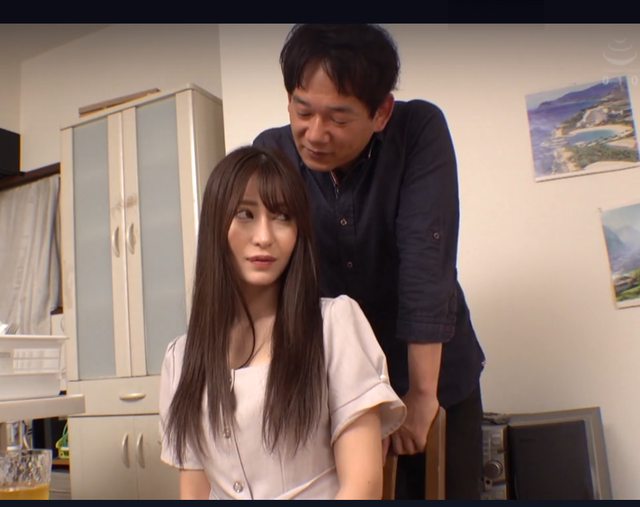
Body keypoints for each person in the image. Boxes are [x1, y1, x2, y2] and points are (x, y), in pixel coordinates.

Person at [253, 24, 486, 500]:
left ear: (381, 113)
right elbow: (269, 282)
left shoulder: (418, 130)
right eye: (302, 110)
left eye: (338, 117)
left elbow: (427, 258)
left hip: (434, 377)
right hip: (338, 388)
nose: (315, 134)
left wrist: (421, 395)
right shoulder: (272, 153)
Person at [158, 145, 406, 500]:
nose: (264, 237)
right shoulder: (181, 359)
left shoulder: (334, 326)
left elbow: (362, 487)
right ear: (215, 225)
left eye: (283, 217)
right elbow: (194, 493)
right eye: (245, 214)